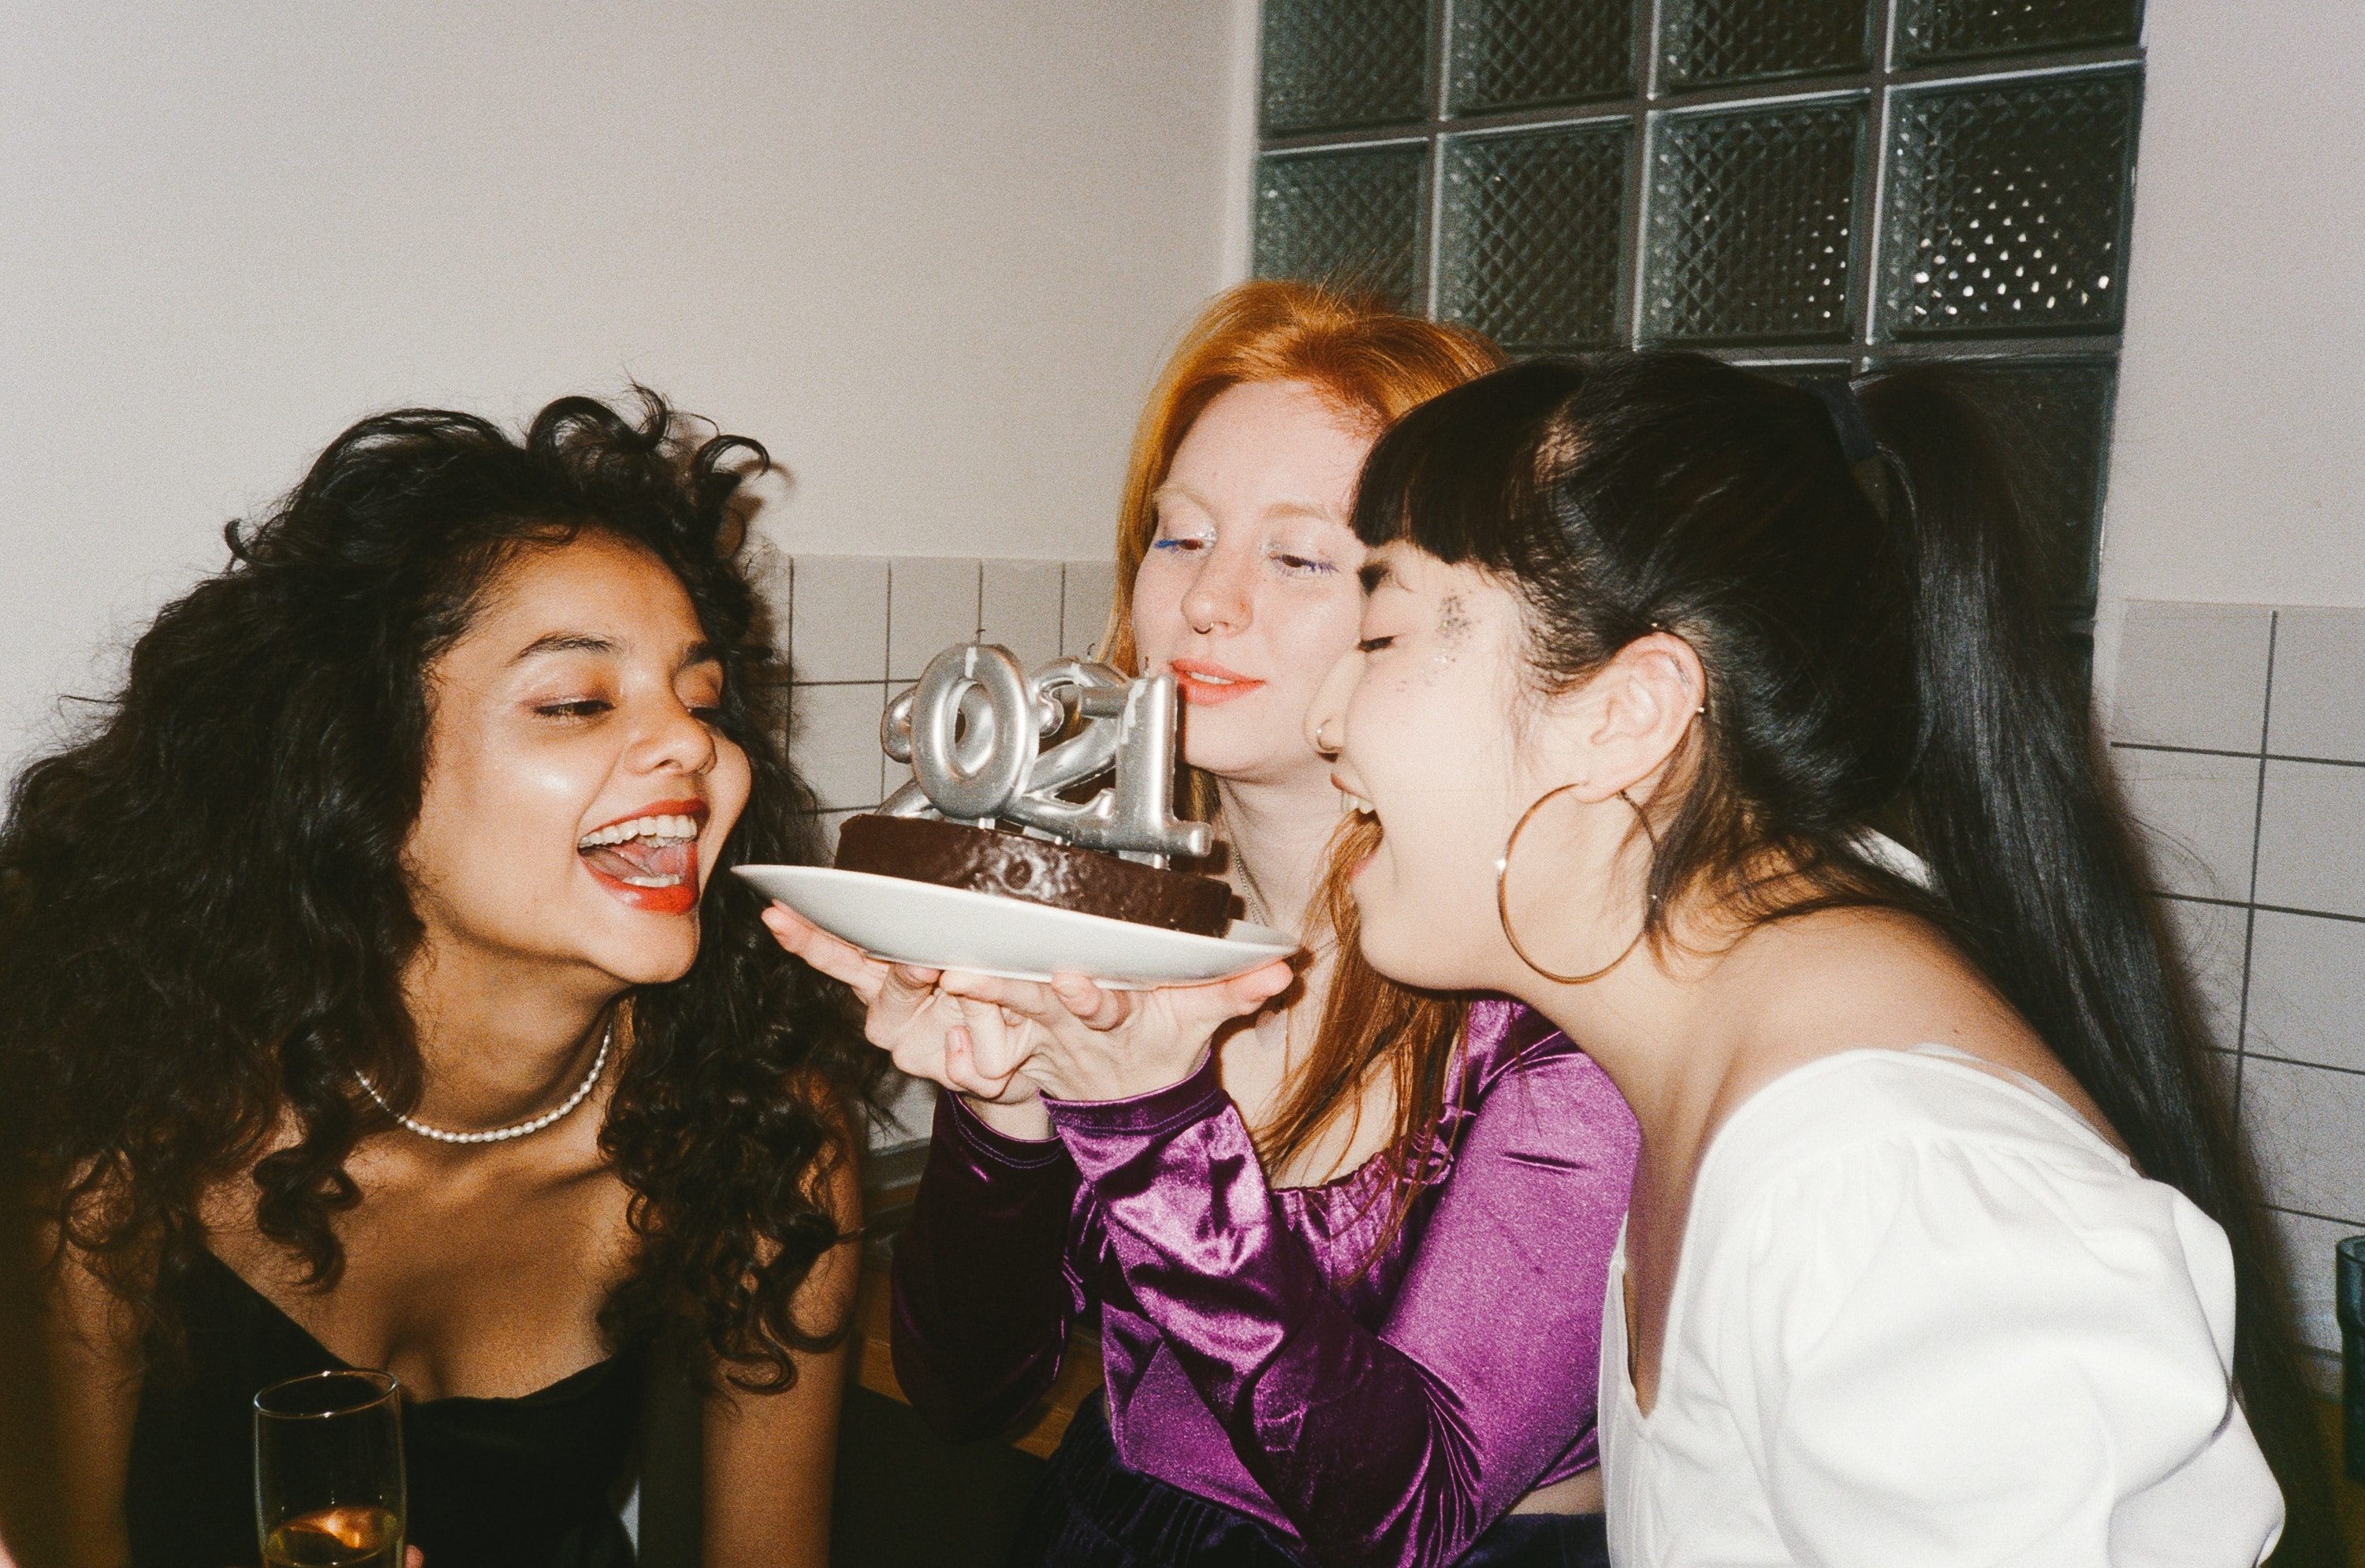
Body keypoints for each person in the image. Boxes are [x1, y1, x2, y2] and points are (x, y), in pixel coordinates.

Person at [1302, 354, 2345, 1564]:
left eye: (1379, 630)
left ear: (1627, 714)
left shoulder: (1879, 1184)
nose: (1329, 715)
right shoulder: (1737, 1041)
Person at [769, 280, 1640, 1568]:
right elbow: (968, 1394)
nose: (1208, 603)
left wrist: (1144, 1128)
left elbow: (1414, 1509)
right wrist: (1001, 1111)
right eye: (1179, 537)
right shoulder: (1123, 925)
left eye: (1299, 556)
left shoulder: (1556, 988)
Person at [0, 393, 869, 1568]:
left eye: (702, 699)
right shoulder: (134, 1109)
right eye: (576, 701)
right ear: (360, 766)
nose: (696, 748)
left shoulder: (760, 1127)